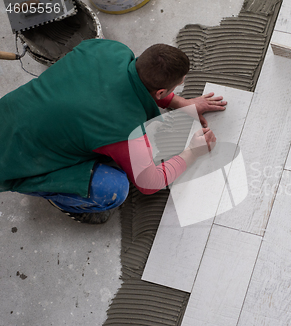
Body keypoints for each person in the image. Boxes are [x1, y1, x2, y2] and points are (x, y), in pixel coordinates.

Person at [0, 39, 227, 224]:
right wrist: (192, 152)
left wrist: (182, 104)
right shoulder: (125, 130)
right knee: (114, 189)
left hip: (10, 115)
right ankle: (58, 195)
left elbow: (137, 80)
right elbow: (149, 183)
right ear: (160, 92)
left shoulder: (108, 49)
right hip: (15, 163)